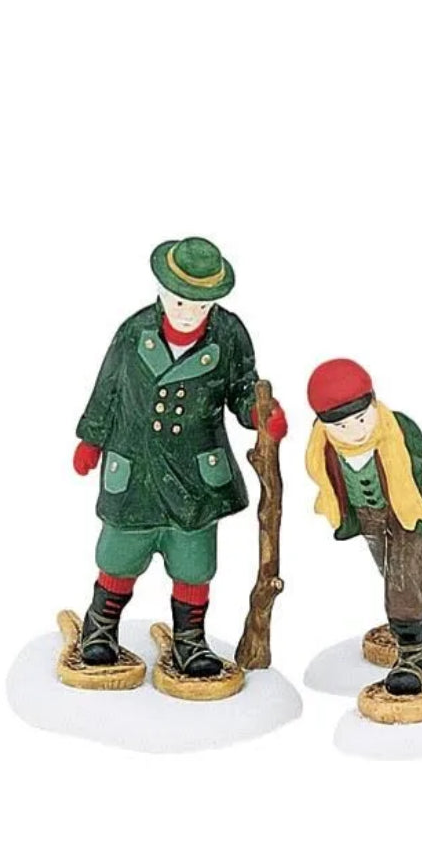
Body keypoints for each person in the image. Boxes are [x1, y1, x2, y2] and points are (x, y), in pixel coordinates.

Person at [72, 236, 287, 677]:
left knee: (194, 561)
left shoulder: (228, 335)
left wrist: (259, 413)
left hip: (195, 474)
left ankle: (190, 639)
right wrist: (91, 439)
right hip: (136, 465)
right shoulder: (135, 332)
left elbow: (242, 386)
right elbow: (107, 387)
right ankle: (100, 628)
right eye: (180, 301)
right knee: (119, 552)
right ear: (162, 290)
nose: (188, 312)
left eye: (200, 305)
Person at [305, 359, 422, 695]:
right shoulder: (322, 449)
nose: (355, 431)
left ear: (373, 403)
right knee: (390, 572)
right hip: (368, 515)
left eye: (361, 418)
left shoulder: (396, 432)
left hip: (409, 513)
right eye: (341, 426)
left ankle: (415, 655)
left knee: (400, 582)